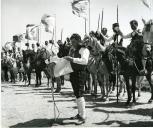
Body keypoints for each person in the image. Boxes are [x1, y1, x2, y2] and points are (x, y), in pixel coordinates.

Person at [64, 33, 90, 125]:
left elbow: (85, 61)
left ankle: (83, 116)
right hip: (74, 73)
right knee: (76, 94)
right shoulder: (74, 50)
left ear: (79, 41)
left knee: (79, 94)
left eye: (74, 42)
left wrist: (72, 59)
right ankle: (79, 114)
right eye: (71, 42)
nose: (72, 43)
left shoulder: (84, 49)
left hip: (80, 73)